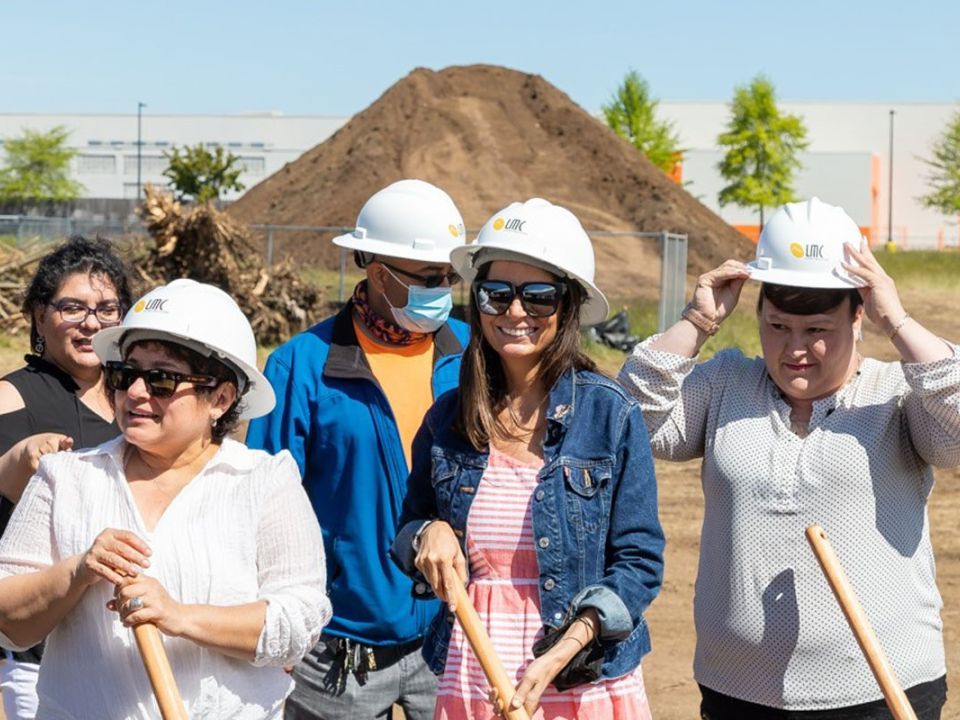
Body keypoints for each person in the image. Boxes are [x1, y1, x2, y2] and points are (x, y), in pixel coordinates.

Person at [618, 197, 958, 719]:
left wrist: (900, 321)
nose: (795, 349)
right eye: (778, 327)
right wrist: (696, 321)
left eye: (818, 330)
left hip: (881, 693)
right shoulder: (727, 384)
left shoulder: (896, 396)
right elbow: (634, 423)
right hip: (738, 694)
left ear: (858, 314)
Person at [0, 278, 331, 719]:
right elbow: (9, 622)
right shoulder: (66, 478)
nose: (135, 392)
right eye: (124, 374)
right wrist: (78, 571)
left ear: (221, 397)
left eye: (161, 379)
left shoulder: (263, 482)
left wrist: (178, 616)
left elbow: (298, 623)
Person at [393, 198, 665, 719]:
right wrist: (428, 532)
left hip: (580, 676)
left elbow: (639, 563)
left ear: (568, 309)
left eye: (538, 297)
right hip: (474, 672)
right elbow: (408, 531)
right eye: (497, 295)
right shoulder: (448, 418)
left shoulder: (610, 416)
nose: (516, 312)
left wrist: (566, 648)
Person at [246, 179, 470, 720]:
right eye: (429, 278)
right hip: (336, 654)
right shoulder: (300, 366)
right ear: (377, 273)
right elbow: (263, 509)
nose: (443, 288)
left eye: (448, 276)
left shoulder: (471, 354)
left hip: (452, 636)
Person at [0, 235, 133, 720]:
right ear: (40, 317)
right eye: (72, 308)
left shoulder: (136, 395)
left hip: (129, 644)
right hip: (46, 658)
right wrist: (20, 458)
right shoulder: (15, 395)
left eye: (106, 308)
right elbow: (9, 475)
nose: (91, 322)